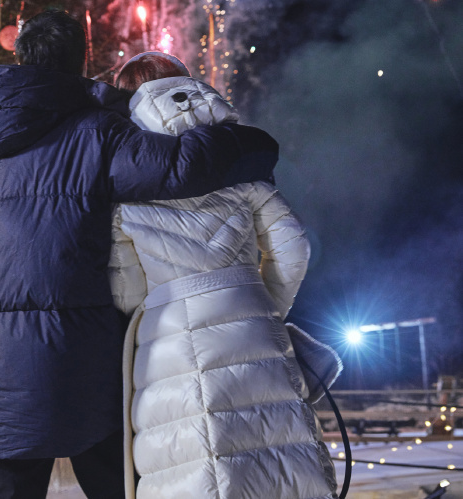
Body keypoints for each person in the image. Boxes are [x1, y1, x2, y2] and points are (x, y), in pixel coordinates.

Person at [0, 10, 280, 499]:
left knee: (12, 485)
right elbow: (178, 167)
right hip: (71, 345)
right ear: (80, 58)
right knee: (113, 479)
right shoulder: (93, 130)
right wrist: (249, 141)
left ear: (19, 55)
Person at [110, 51, 337, 499]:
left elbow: (125, 289)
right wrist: (258, 306)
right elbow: (294, 249)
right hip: (251, 323)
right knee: (279, 460)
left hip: (167, 340)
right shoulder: (241, 164)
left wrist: (155, 309)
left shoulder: (124, 184)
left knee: (194, 463)